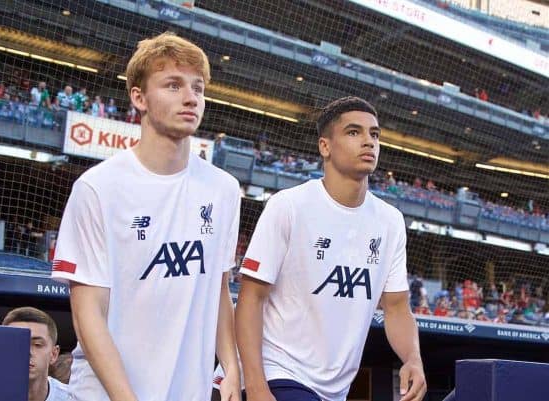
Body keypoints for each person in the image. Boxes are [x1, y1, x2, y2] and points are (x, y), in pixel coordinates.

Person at [51, 32, 241, 401]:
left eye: (198, 88)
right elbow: (87, 315)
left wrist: (231, 366)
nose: (190, 98)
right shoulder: (98, 188)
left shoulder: (225, 190)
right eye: (173, 85)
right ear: (139, 97)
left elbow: (219, 288)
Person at [235, 96, 426, 401]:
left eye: (374, 134)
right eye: (354, 132)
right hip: (275, 372)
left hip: (333, 390)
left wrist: (413, 358)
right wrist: (257, 386)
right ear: (325, 146)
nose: (368, 142)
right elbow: (250, 299)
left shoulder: (390, 221)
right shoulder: (289, 206)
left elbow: (397, 308)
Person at [2, 307, 70, 401]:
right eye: (16, 343)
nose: (27, 352)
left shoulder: (73, 398)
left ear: (54, 354)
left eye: (37, 345)